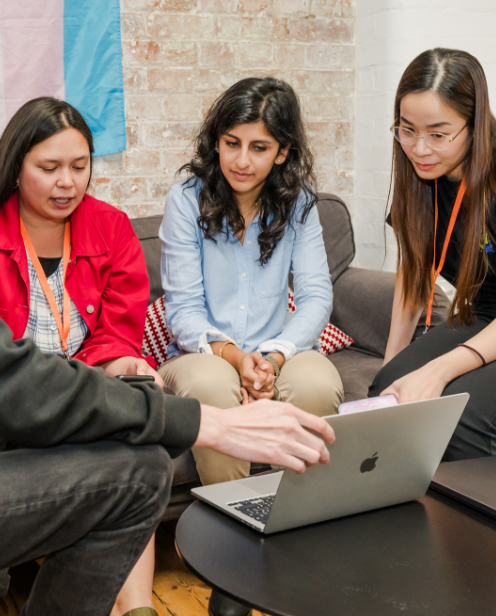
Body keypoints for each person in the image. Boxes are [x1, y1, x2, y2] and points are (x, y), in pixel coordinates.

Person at [0, 0, 336, 616]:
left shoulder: (110, 227)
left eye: (78, 166)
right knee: (137, 470)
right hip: (8, 391)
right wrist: (201, 420)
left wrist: (116, 383)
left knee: (111, 422)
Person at [0, 96, 163, 616]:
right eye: (49, 168)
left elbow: (117, 333)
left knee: (137, 439)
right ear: (15, 168)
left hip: (77, 395)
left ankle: (137, 609)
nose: (68, 182)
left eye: (79, 166)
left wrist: (121, 366)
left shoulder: (111, 227)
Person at [158, 77, 344, 616]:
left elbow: (315, 297)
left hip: (277, 350)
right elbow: (183, 308)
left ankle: (291, 538)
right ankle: (231, 557)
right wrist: (234, 357)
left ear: (283, 150)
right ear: (216, 140)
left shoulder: (302, 205)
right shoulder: (185, 199)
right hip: (205, 353)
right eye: (231, 142)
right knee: (213, 385)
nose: (242, 159)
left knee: (317, 381)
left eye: (259, 147)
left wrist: (280, 353)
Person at [369, 48, 496, 462]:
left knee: (460, 416)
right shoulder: (420, 177)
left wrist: (438, 370)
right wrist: (394, 364)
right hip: (482, 313)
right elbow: (414, 272)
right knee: (387, 394)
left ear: (475, 127)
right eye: (407, 130)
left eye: (438, 134)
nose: (419, 148)